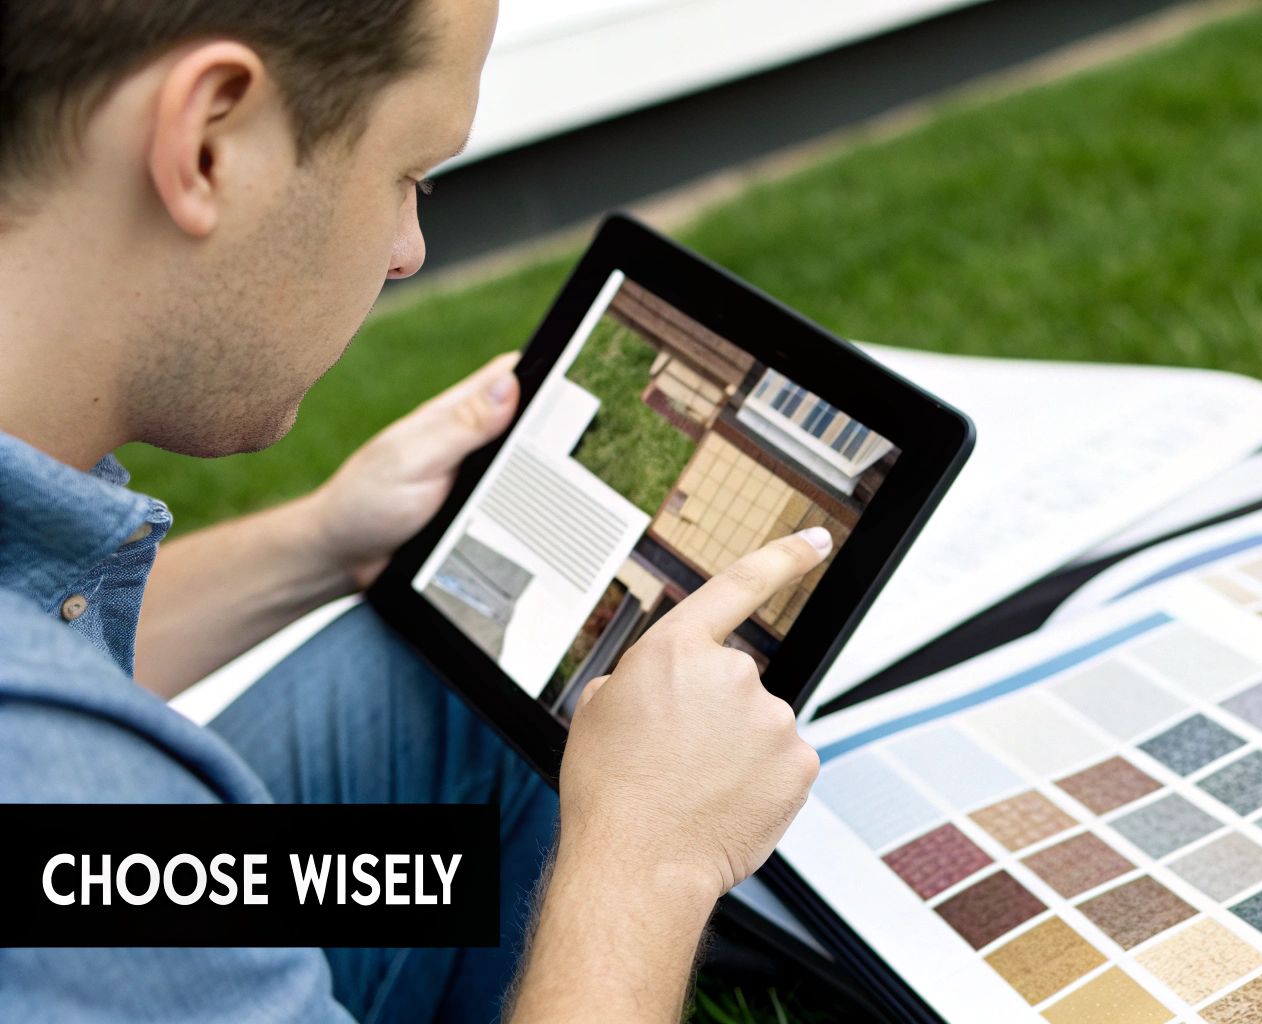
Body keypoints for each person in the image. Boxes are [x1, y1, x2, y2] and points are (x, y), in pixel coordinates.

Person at [0, 1, 826, 1020]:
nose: (407, 250)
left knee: (462, 682)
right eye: (410, 177)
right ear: (210, 143)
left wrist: (322, 538)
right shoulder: (54, 778)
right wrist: (644, 866)